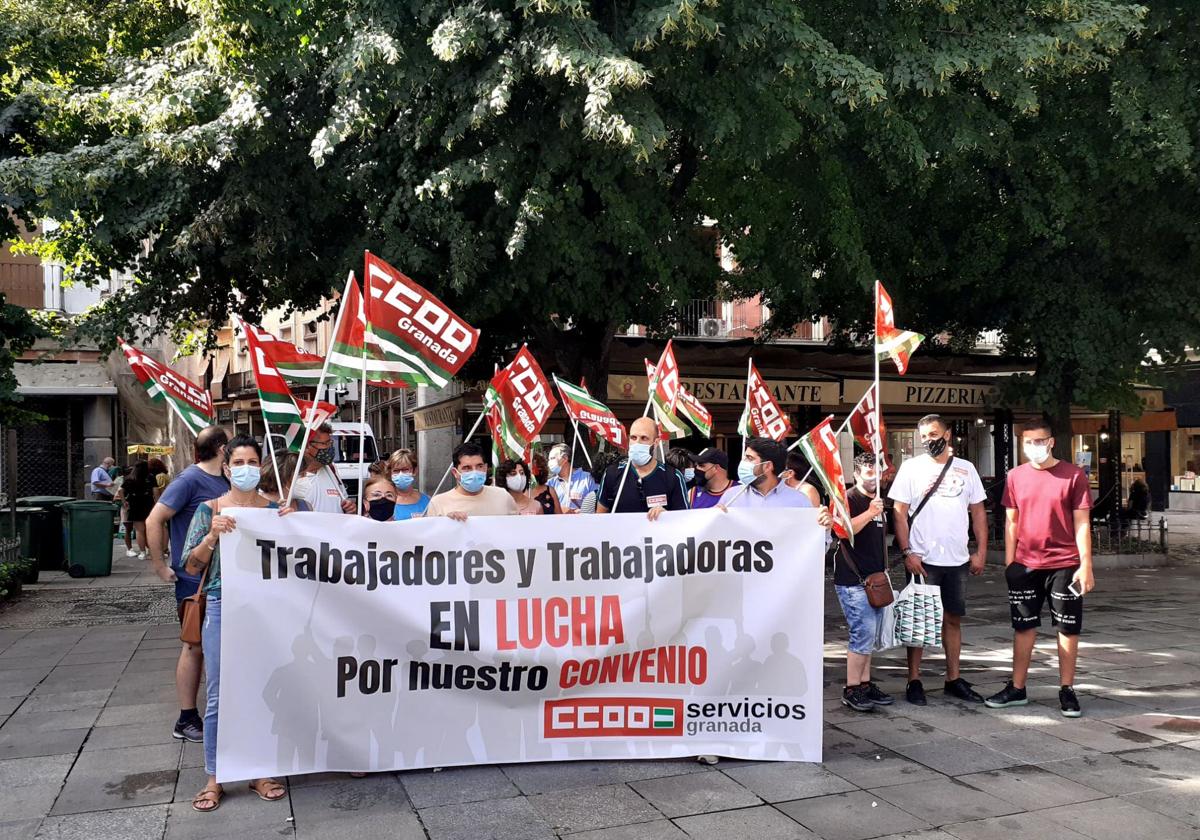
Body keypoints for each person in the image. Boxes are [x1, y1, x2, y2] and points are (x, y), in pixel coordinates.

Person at [181, 434, 290, 812]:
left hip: (267, 608)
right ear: (226, 469)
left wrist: (293, 525)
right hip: (223, 604)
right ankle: (215, 777)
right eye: (238, 462)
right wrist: (212, 535)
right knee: (219, 693)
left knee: (261, 689)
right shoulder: (210, 509)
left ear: (261, 467)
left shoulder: (276, 509)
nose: (246, 469)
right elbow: (191, 567)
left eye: (252, 462)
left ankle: (259, 770)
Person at [986, 419, 1094, 717]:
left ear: (1051, 442)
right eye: (1027, 442)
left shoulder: (1073, 476)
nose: (1033, 447)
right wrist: (1010, 563)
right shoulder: (1015, 476)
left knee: (1068, 629)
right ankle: (1017, 688)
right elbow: (1011, 520)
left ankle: (1067, 689)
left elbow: (1082, 523)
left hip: (1065, 565)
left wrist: (1086, 566)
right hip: (1025, 564)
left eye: (1039, 441)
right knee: (1023, 627)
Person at [889, 414, 989, 706]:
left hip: (957, 559)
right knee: (918, 619)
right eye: (923, 437)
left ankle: (953, 678)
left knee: (953, 619)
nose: (928, 441)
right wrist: (907, 551)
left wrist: (980, 551)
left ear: (947, 434)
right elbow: (899, 512)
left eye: (933, 434)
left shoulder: (966, 469)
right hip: (923, 559)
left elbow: (978, 512)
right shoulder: (911, 468)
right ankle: (914, 679)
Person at [146, 426, 230, 743]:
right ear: (222, 448)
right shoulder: (189, 480)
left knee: (215, 648)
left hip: (221, 580)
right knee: (194, 645)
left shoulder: (224, 480)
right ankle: (186, 717)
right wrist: (159, 565)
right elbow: (155, 519)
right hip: (194, 581)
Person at [835, 453, 894, 712]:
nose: (873, 476)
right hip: (853, 580)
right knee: (862, 634)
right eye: (868, 471)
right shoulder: (849, 499)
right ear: (857, 474)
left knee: (869, 636)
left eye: (876, 470)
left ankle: (865, 683)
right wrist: (871, 513)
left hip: (875, 579)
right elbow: (843, 530)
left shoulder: (879, 501)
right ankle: (851, 688)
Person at [596, 417, 689, 519]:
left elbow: (683, 521)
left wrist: (666, 515)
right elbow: (600, 518)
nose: (637, 443)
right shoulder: (612, 474)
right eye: (633, 438)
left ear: (656, 442)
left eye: (644, 438)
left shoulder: (673, 477)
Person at [724, 438, 830, 517]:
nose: (743, 463)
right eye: (744, 457)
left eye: (749, 458)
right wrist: (714, 516)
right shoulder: (731, 497)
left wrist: (823, 528)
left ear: (767, 466)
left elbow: (810, 541)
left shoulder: (799, 501)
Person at [426, 442, 519, 521]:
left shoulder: (503, 496)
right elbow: (433, 539)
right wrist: (447, 523)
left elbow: (517, 530)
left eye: (479, 466)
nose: (474, 472)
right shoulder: (438, 503)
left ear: (486, 468)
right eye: (467, 468)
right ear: (455, 472)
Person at [291, 422, 356, 514]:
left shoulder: (331, 469)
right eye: (324, 443)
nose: (329, 447)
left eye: (330, 442)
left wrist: (350, 507)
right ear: (307, 446)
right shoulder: (290, 476)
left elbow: (344, 501)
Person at [117, 461, 155, 559]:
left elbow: (120, 490)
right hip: (148, 504)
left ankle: (142, 553)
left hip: (135, 504)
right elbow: (156, 491)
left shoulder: (130, 478)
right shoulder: (150, 477)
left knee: (139, 530)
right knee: (149, 529)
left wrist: (124, 501)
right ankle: (150, 550)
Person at [546, 443, 598, 513]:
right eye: (549, 459)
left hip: (583, 522)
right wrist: (560, 509)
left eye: (552, 458)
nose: (549, 462)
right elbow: (545, 506)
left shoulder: (587, 478)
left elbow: (597, 504)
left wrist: (582, 511)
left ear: (565, 458)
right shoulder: (550, 483)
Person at [386, 448, 430, 520]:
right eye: (396, 470)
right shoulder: (385, 502)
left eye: (405, 469)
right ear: (390, 472)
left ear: (414, 470)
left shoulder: (427, 501)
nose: (400, 474)